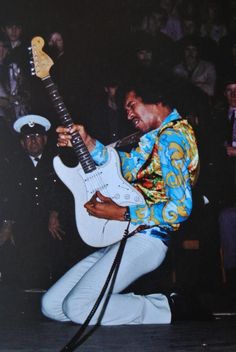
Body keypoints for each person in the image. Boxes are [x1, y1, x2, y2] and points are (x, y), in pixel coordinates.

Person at [41, 77, 207, 325]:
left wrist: (122, 213)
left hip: (147, 238)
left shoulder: (173, 139)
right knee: (52, 306)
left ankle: (169, 308)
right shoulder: (155, 137)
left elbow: (181, 208)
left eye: (131, 105)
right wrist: (88, 143)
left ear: (155, 98)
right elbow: (126, 168)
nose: (128, 114)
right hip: (125, 235)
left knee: (78, 307)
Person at [5, 114, 66, 289]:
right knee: (26, 266)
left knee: (57, 261)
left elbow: (64, 191)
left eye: (37, 136)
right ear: (22, 143)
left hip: (54, 220)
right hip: (26, 223)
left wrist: (55, 213)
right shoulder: (14, 165)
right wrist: (8, 225)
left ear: (45, 139)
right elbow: (11, 196)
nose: (33, 141)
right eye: (28, 138)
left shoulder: (58, 161)